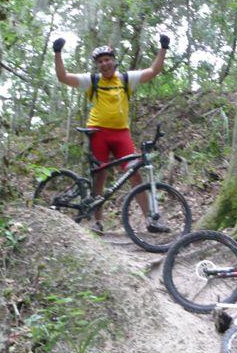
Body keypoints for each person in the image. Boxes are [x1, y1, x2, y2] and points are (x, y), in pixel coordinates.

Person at [52, 33, 170, 233]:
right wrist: (57, 52)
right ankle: (97, 222)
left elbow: (154, 70)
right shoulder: (93, 81)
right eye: (100, 61)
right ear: (97, 65)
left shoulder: (125, 79)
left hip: (121, 134)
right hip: (98, 133)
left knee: (134, 174)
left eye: (107, 60)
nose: (104, 64)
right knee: (100, 176)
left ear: (114, 61)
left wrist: (163, 48)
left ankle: (151, 220)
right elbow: (63, 78)